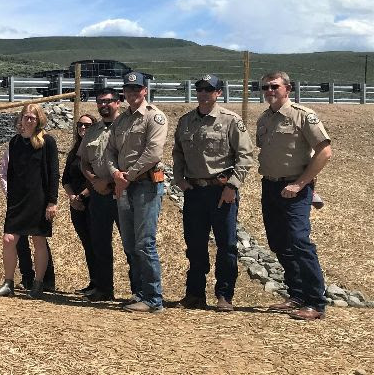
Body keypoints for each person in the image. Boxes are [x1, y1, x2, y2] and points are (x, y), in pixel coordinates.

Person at [172, 75, 254, 312]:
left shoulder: (230, 120)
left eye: (209, 89)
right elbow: (178, 152)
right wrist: (179, 179)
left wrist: (232, 186)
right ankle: (195, 294)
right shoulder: (186, 121)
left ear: (219, 93)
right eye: (200, 89)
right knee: (195, 244)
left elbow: (245, 156)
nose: (204, 93)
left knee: (226, 245)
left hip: (221, 191)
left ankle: (224, 295)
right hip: (194, 190)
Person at [257, 71, 332, 321]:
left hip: (295, 188)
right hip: (270, 186)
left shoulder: (303, 116)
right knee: (279, 243)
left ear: (287, 89)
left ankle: (315, 302)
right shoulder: (265, 118)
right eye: (265, 87)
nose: (269, 90)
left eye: (274, 86)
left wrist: (301, 184)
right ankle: (297, 294)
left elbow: (325, 152)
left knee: (300, 241)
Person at [105, 72, 168, 313]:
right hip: (124, 185)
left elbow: (153, 153)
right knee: (130, 244)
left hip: (145, 185)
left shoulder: (155, 117)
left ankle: (153, 298)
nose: (132, 93)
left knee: (145, 243)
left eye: (136, 89)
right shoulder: (121, 120)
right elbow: (110, 151)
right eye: (128, 89)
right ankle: (139, 293)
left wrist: (127, 177)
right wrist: (115, 174)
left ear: (145, 90)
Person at [0, 103, 59, 299]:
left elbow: (54, 174)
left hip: (39, 200)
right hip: (17, 200)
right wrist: (10, 196)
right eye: (26, 117)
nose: (28, 120)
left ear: (39, 120)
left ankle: (38, 284)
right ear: (20, 119)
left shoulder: (48, 142)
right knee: (8, 239)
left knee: (38, 240)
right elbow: (11, 173)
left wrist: (52, 202)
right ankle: (8, 282)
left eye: (33, 117)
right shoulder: (14, 142)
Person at [79, 88, 135, 302]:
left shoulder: (127, 127)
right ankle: (103, 289)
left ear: (118, 102)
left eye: (108, 101)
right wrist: (95, 181)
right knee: (100, 243)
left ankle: (138, 291)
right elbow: (84, 162)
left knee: (130, 243)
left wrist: (112, 182)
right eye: (100, 102)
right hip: (99, 195)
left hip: (124, 192)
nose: (104, 105)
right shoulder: (92, 131)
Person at [62, 113, 98, 296]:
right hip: (75, 202)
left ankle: (101, 284)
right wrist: (72, 197)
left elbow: (100, 176)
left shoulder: (97, 147)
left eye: (88, 125)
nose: (83, 128)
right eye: (80, 125)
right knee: (87, 243)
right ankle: (93, 282)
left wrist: (82, 196)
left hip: (93, 201)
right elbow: (65, 178)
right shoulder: (74, 151)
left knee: (96, 243)